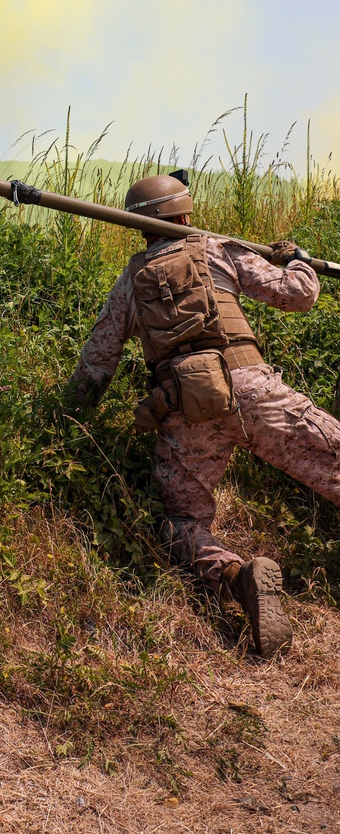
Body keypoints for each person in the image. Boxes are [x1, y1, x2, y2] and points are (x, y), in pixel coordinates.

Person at [67, 172, 340, 657]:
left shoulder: (131, 282)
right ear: (186, 214)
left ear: (139, 228)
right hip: (256, 393)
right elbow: (299, 295)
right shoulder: (217, 248)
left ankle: (238, 577)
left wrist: (63, 422)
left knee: (179, 523)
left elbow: (97, 363)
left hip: (186, 411)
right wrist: (299, 261)